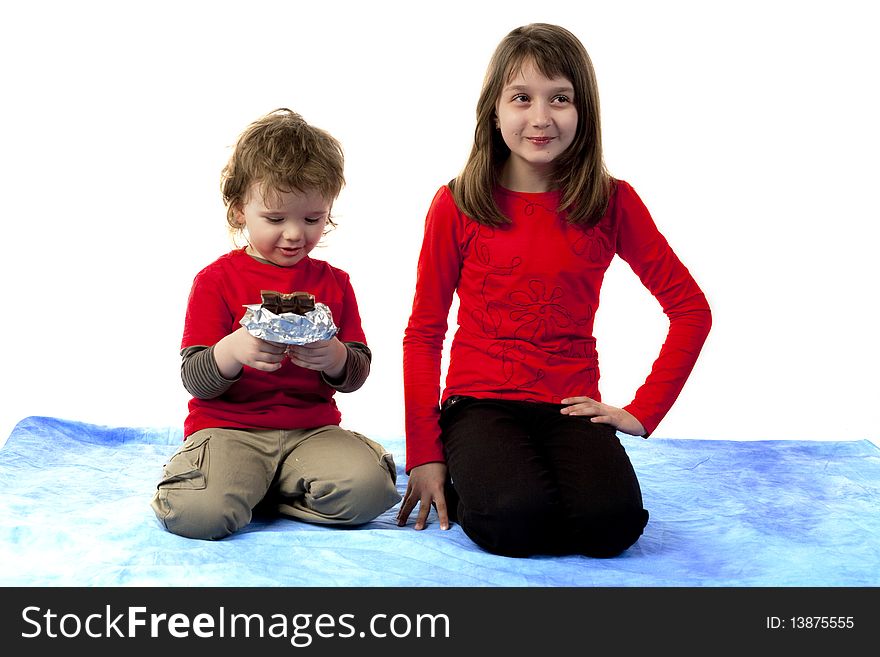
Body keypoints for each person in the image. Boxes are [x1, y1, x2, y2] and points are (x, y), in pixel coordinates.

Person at [397, 24, 712, 558]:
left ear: (582, 111)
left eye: (559, 99)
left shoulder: (613, 203)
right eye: (522, 98)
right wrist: (424, 454)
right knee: (515, 525)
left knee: (612, 527)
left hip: (569, 403)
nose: (540, 118)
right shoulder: (456, 204)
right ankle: (469, 470)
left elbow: (690, 310)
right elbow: (423, 333)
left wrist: (642, 411)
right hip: (481, 400)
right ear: (494, 111)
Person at [152, 108, 400, 540]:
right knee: (198, 515)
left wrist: (336, 357)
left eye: (311, 219)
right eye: (275, 219)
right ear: (238, 211)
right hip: (231, 430)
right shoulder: (217, 280)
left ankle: (263, 495)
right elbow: (195, 378)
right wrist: (233, 352)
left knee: (371, 493)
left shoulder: (335, 283)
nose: (293, 235)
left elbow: (356, 372)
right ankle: (225, 480)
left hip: (312, 431)